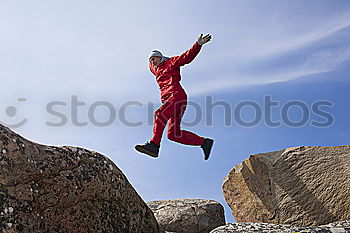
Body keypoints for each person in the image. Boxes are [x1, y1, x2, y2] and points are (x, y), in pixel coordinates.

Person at [135, 34, 214, 160]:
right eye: (150, 60)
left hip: (176, 96)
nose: (152, 62)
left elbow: (186, 57)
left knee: (159, 115)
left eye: (154, 59)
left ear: (160, 57)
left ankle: (154, 145)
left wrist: (197, 45)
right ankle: (204, 142)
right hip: (173, 101)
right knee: (173, 134)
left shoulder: (171, 62)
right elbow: (150, 64)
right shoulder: (156, 70)